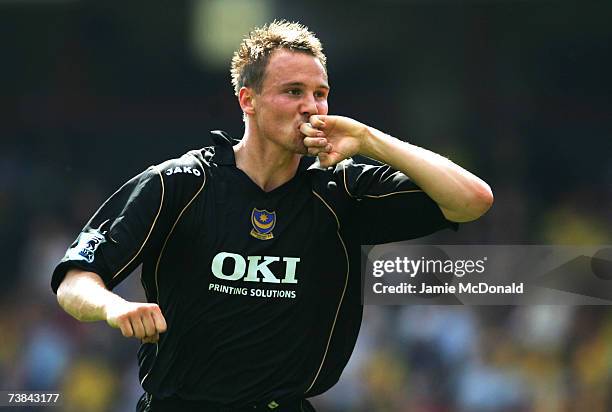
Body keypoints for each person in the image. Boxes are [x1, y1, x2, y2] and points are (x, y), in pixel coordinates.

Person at [52, 20, 493, 412]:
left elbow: (472, 200)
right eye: (293, 92)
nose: (313, 107)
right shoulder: (179, 183)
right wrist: (114, 307)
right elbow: (75, 281)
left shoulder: (342, 190)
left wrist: (369, 138)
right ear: (248, 100)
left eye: (320, 94)